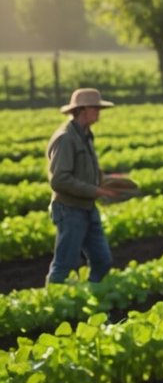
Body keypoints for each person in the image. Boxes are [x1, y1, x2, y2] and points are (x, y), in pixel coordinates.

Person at [45, 88, 120, 286]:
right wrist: (96, 191)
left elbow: (87, 168)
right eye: (95, 108)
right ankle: (51, 307)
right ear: (82, 110)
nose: (98, 112)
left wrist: (107, 180)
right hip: (69, 209)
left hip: (87, 207)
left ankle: (89, 297)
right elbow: (59, 180)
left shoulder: (85, 134)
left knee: (102, 261)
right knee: (65, 264)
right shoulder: (66, 138)